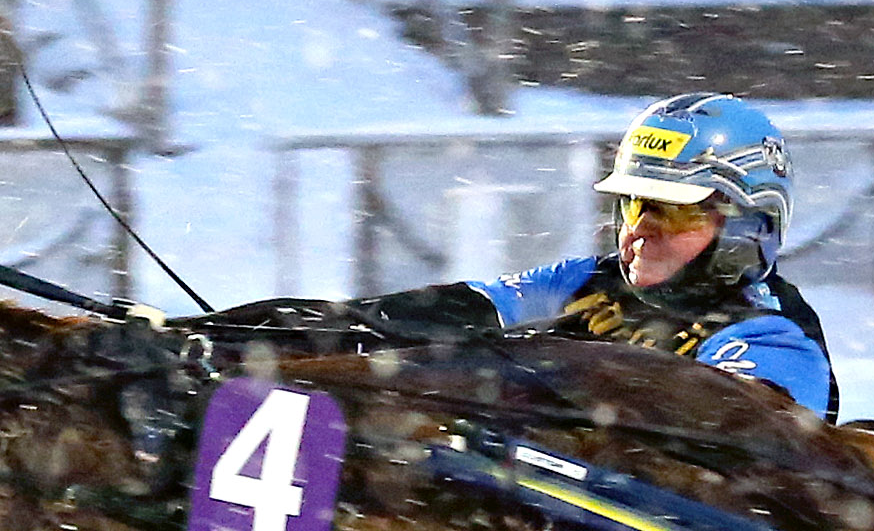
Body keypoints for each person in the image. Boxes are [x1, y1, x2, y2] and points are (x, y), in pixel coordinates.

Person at [332, 93, 838, 418]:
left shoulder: (774, 335)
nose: (639, 229)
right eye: (634, 204)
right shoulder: (585, 281)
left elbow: (712, 432)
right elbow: (451, 310)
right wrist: (317, 327)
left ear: (746, 230)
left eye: (674, 212)